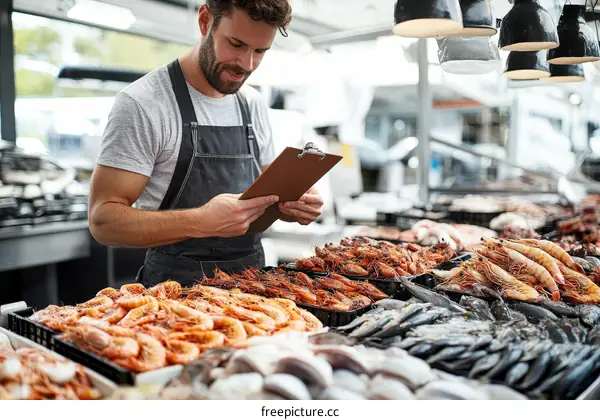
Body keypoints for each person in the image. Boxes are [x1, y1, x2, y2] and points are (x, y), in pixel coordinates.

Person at [88, 0, 324, 286]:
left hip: (253, 291)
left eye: (260, 51)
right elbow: (103, 222)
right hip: (172, 301)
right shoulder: (143, 103)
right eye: (236, 44)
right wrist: (201, 221)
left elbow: (268, 198)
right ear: (204, 21)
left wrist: (293, 206)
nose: (247, 64)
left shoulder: (253, 104)